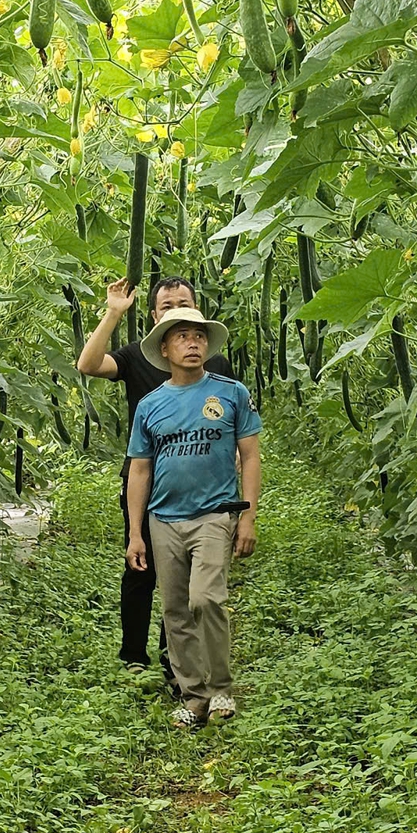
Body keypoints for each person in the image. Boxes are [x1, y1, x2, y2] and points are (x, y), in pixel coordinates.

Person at [76, 276, 234, 678]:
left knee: (183, 575)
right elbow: (89, 364)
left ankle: (173, 657)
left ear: (198, 310)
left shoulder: (214, 364)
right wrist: (113, 313)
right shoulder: (135, 357)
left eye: (184, 302)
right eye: (167, 306)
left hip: (200, 489)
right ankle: (133, 656)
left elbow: (230, 424)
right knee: (140, 566)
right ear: (154, 317)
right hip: (145, 482)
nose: (176, 308)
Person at [124, 308, 261, 730]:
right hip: (164, 520)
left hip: (215, 515)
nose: (192, 343)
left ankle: (221, 688)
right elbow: (140, 470)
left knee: (206, 599)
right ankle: (194, 697)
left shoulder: (231, 393)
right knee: (175, 611)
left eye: (199, 336)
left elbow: (251, 456)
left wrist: (248, 518)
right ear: (164, 349)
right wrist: (136, 533)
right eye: (182, 337)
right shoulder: (150, 405)